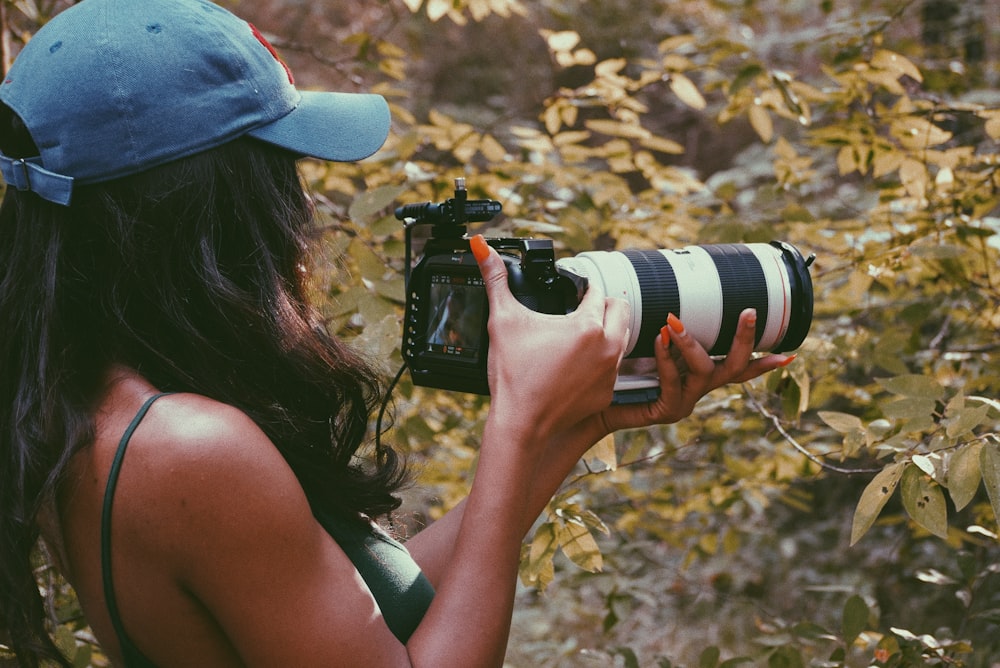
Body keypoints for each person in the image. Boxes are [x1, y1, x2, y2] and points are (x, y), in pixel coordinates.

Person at [0, 0, 794, 666]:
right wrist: (514, 423)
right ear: (207, 213)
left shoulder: (92, 408)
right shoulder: (189, 449)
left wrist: (567, 425)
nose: (301, 210)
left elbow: (369, 614)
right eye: (280, 172)